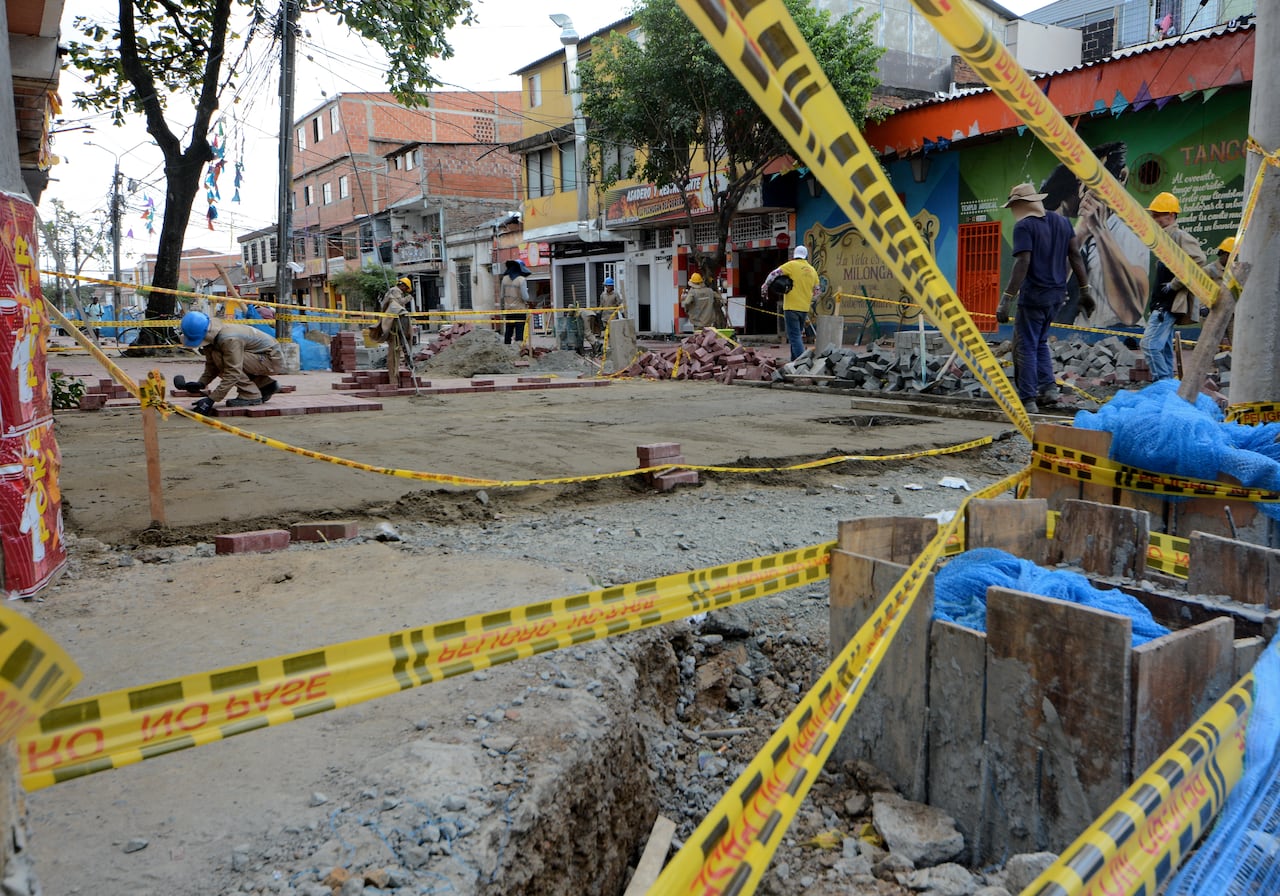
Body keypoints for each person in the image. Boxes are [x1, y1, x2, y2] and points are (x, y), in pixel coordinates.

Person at [997, 182, 1091, 413]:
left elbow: (1023, 262)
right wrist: (1085, 290)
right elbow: (1075, 256)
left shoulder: (1024, 227)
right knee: (1040, 342)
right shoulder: (1062, 222)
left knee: (1026, 346)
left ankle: (1028, 398)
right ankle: (1049, 388)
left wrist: (1006, 298)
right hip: (1056, 296)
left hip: (1034, 296)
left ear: (1020, 205)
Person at [1040, 142, 1148, 327]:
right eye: (1083, 182)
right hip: (1081, 335)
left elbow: (1130, 313)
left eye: (1097, 181)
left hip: (1119, 336)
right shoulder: (1078, 232)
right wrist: (1081, 234)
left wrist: (1101, 231)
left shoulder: (1131, 231)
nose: (1087, 191)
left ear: (1121, 178)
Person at [1140, 191, 1207, 382]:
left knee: (1150, 346)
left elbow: (1198, 260)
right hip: (1162, 303)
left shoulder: (1179, 236)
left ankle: (1162, 384)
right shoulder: (1164, 239)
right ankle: (1169, 386)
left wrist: (1174, 285)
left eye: (1158, 215)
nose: (1154, 219)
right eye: (1153, 215)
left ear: (1171, 215)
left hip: (1168, 305)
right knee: (1165, 350)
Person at [176, 310, 284, 414]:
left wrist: (211, 399)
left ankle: (250, 395)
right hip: (259, 357)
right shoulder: (213, 338)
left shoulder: (228, 339)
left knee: (226, 363)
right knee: (221, 359)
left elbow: (233, 371)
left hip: (271, 359)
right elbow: (211, 365)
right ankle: (266, 385)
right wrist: (201, 383)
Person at [761, 245, 820, 360]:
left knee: (795, 336)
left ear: (795, 255)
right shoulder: (812, 270)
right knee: (797, 335)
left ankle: (802, 361)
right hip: (804, 308)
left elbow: (774, 274)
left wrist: (765, 285)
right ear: (806, 256)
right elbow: (817, 291)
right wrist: (808, 299)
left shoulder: (791, 265)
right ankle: (794, 362)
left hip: (791, 307)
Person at [368, 277, 413, 371]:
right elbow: (399, 303)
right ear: (402, 285)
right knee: (403, 338)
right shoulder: (395, 291)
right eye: (406, 288)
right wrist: (408, 298)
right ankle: (405, 360)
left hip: (393, 318)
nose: (405, 290)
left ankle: (406, 360)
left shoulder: (393, 291)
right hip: (395, 319)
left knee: (402, 340)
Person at [499, 259, 531, 345]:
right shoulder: (521, 280)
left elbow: (501, 296)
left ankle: (506, 349)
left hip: (508, 310)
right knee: (519, 332)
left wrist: (503, 308)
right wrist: (526, 291)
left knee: (508, 331)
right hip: (520, 310)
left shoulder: (504, 279)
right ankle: (518, 350)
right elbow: (526, 297)